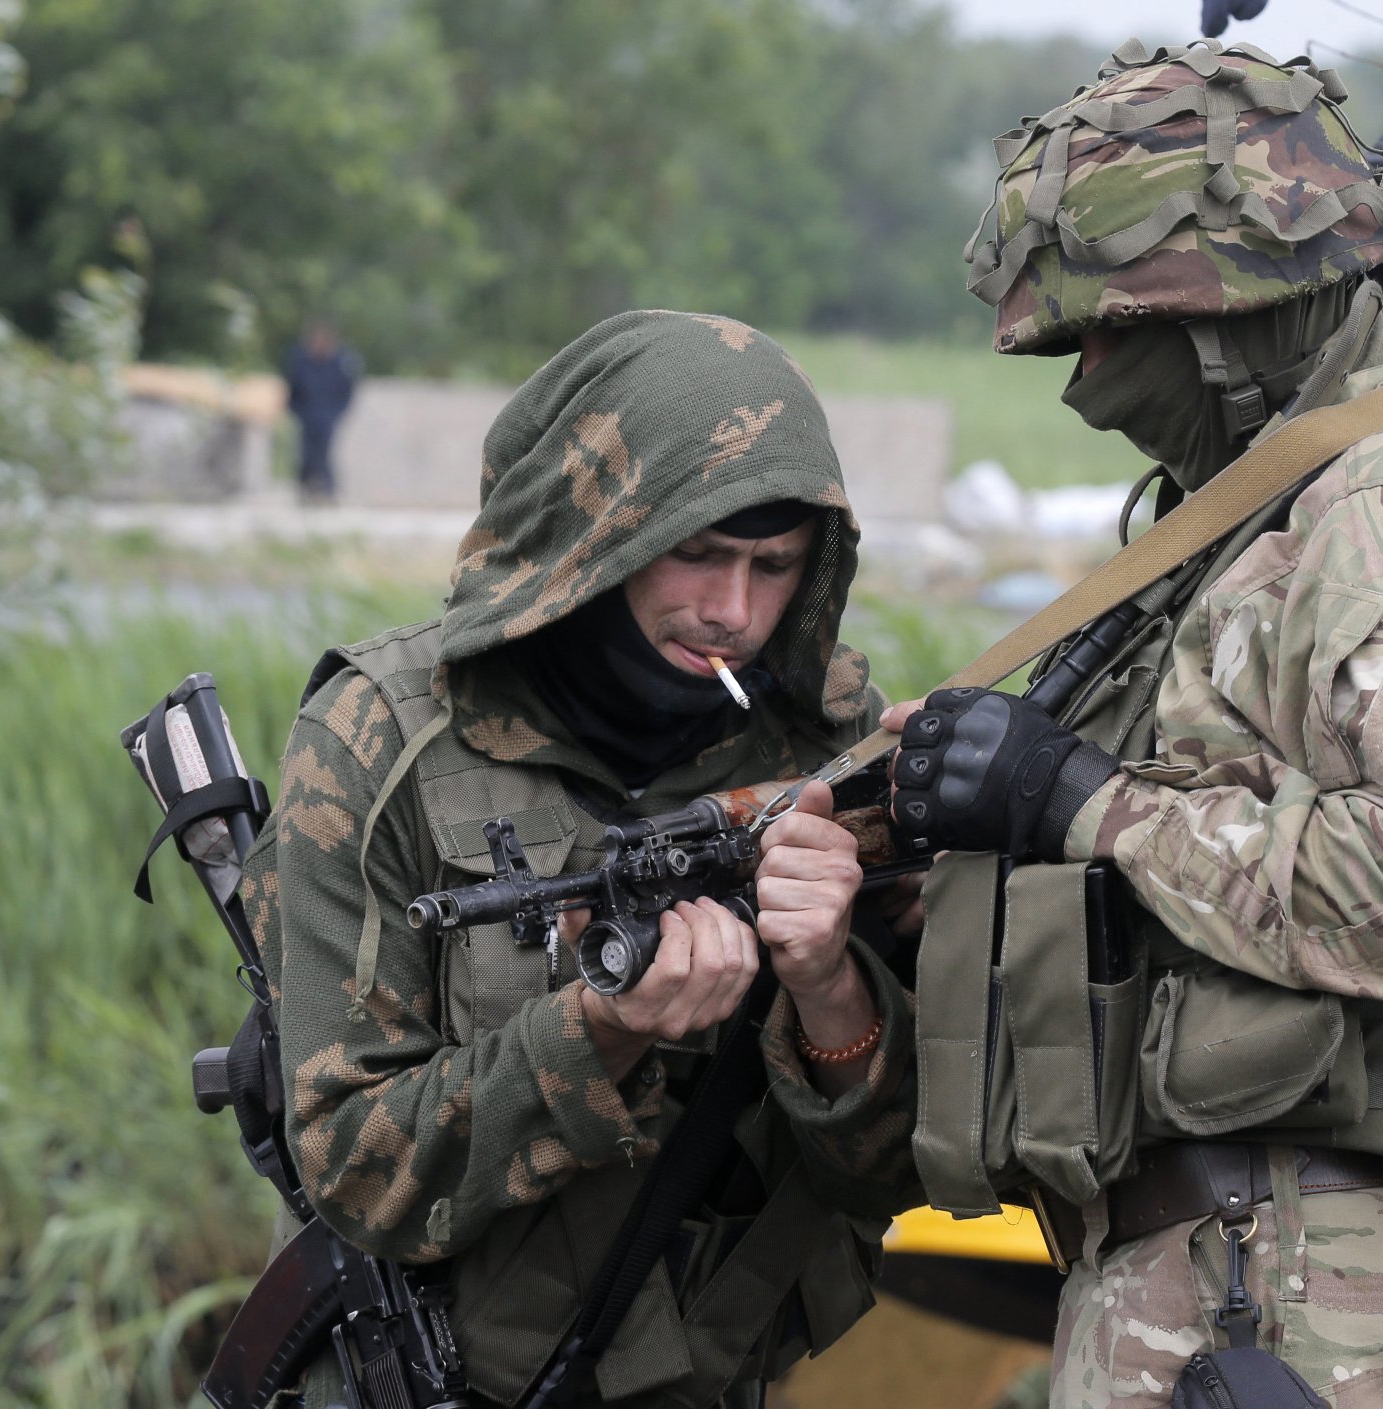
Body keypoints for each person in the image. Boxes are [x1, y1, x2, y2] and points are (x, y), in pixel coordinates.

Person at [887, 40, 1383, 1409]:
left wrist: (1082, 802)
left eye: (1110, 332)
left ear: (1229, 313)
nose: (1081, 381)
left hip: (1302, 1293)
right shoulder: (1264, 512)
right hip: (1240, 1267)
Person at [242, 309, 918, 1408]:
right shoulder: (380, 739)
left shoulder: (831, 748)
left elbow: (890, 1173)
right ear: (593, 534)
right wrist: (597, 1030)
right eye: (695, 552)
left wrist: (830, 986)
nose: (733, 612)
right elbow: (352, 1168)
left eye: (773, 564)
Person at [282, 317, 361, 503]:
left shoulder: (341, 362)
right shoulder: (301, 361)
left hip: (328, 415)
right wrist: (296, 410)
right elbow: (293, 389)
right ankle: (306, 489)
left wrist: (336, 412)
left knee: (324, 453)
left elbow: (346, 391)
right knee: (305, 453)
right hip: (306, 414)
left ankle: (327, 490)